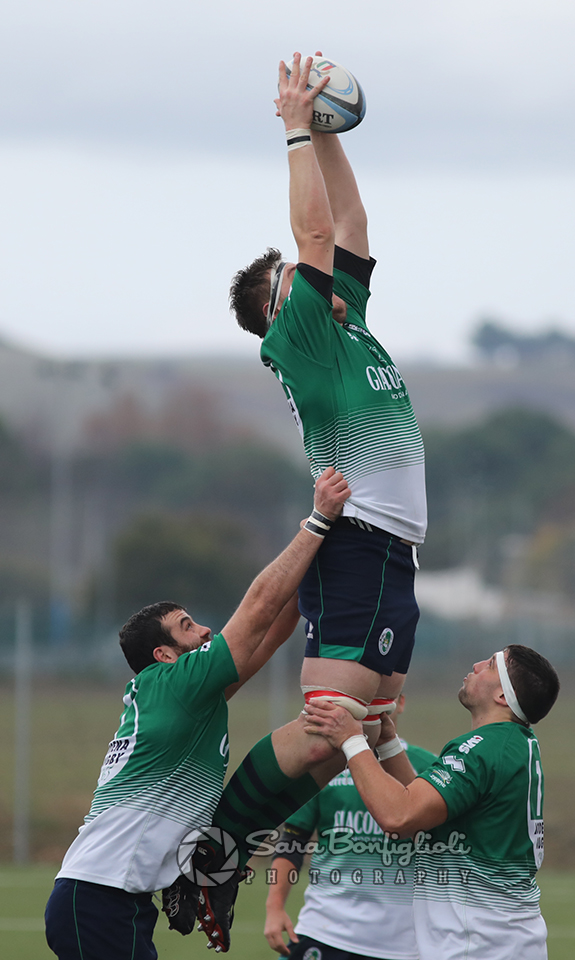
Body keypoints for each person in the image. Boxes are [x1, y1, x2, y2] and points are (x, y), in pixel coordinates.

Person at [228, 50, 428, 810]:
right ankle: (221, 840)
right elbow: (314, 232)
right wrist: (293, 131)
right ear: (282, 311)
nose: (316, 280)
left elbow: (348, 223)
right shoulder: (300, 338)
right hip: (357, 543)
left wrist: (326, 129)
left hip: (391, 551)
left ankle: (236, 845)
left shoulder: (342, 319)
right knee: (329, 729)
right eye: (297, 281)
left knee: (367, 727)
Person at [44, 467, 350, 960]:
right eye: (187, 627)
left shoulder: (183, 698)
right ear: (164, 655)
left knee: (323, 746)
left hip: (116, 900)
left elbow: (265, 638)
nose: (205, 630)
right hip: (97, 898)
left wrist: (313, 572)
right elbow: (254, 614)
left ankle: (217, 866)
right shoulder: (172, 684)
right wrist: (316, 523)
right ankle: (218, 865)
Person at [304, 645, 560, 960]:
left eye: (491, 665)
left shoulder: (483, 749)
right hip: (500, 942)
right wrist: (387, 743)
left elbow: (399, 816)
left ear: (503, 697)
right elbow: (425, 811)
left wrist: (351, 739)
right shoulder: (511, 745)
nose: (477, 663)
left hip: (478, 947)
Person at [264, 695, 436, 960]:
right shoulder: (324, 766)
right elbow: (293, 840)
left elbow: (442, 848)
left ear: (400, 702)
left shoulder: (429, 768)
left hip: (401, 944)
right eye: (366, 697)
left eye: (383, 696)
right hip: (324, 930)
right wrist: (274, 908)